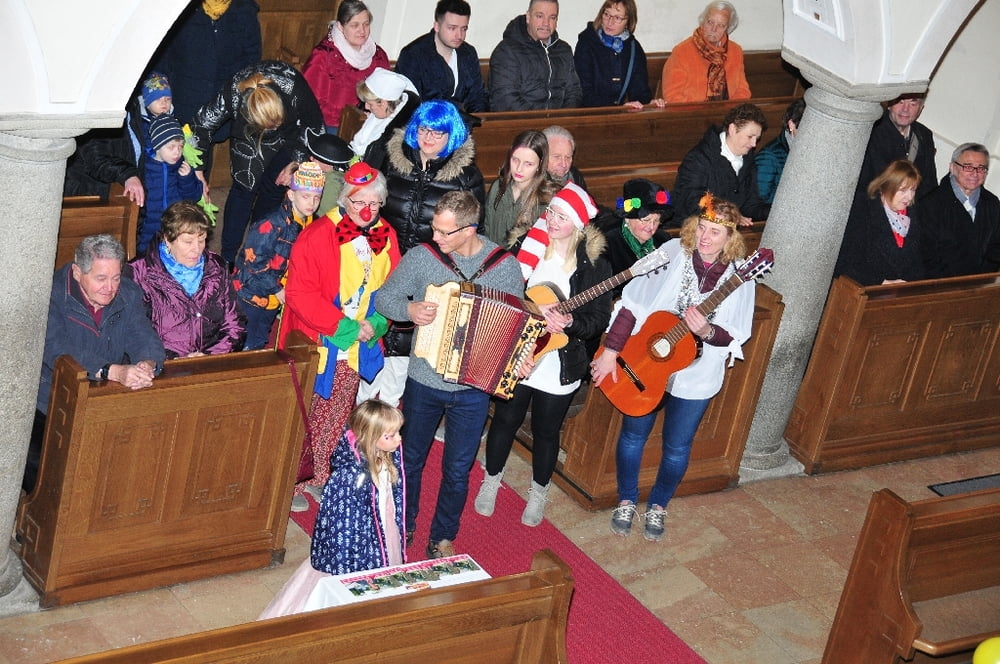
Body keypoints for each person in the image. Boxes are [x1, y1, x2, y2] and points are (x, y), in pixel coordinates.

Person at [590, 195, 754, 542]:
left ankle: (659, 505)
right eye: (702, 228)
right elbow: (632, 304)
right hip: (646, 362)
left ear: (730, 238)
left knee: (678, 446)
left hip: (697, 372)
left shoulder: (740, 277)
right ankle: (626, 499)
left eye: (715, 232)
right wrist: (610, 352)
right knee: (633, 435)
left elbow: (736, 333)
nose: (705, 237)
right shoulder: (672, 254)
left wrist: (706, 331)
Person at [374, 191, 524, 559]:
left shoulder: (504, 267)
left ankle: (442, 535)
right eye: (434, 228)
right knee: (410, 459)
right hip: (423, 380)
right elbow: (384, 298)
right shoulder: (422, 257)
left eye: (444, 232)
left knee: (458, 469)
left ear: (470, 229)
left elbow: (516, 327)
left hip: (474, 388)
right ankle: (403, 522)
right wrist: (409, 309)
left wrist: (520, 357)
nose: (435, 237)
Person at [477, 183, 611, 526]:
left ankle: (538, 492)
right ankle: (491, 480)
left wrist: (570, 322)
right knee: (505, 420)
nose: (551, 220)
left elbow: (597, 320)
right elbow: (502, 294)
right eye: (551, 212)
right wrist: (531, 316)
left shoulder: (595, 266)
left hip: (561, 361)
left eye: (561, 216)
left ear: (577, 224)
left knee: (546, 431)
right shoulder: (527, 247)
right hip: (520, 351)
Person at [279, 161, 401, 511]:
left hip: (357, 345)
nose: (366, 210)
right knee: (305, 412)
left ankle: (318, 474)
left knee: (336, 412)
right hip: (320, 340)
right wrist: (347, 328)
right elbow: (300, 294)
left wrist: (377, 323)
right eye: (359, 201)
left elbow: (394, 288)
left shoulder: (387, 235)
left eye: (374, 203)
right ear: (344, 199)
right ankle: (289, 480)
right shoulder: (318, 235)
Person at [25, 234, 166, 493]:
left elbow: (143, 335)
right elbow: (57, 349)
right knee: (51, 482)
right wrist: (112, 370)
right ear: (77, 272)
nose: (110, 288)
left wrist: (147, 363)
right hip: (51, 402)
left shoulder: (128, 293)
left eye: (116, 278)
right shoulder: (50, 294)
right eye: (101, 278)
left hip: (105, 398)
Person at [189, 60, 324, 265]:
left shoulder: (294, 87)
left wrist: (296, 162)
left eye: (276, 121)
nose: (273, 127)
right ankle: (227, 257)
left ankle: (256, 250)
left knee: (274, 188)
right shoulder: (233, 92)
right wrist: (198, 171)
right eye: (270, 125)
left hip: (287, 137)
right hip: (248, 135)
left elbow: (315, 125)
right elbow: (200, 125)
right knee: (244, 189)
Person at [130, 201, 244, 358]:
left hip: (212, 360)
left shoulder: (216, 267)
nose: (196, 249)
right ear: (167, 239)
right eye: (188, 242)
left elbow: (234, 323)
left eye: (201, 240)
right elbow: (134, 334)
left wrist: (209, 356)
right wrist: (177, 360)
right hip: (162, 364)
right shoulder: (138, 273)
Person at [149, 0, 262, 157]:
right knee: (177, 161)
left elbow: (251, 59)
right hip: (183, 100)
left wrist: (235, 95)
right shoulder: (179, 7)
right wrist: (159, 95)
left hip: (221, 104)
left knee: (201, 161)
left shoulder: (243, 9)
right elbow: (162, 57)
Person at [232, 161, 325, 350]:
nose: (312, 203)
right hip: (251, 293)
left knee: (262, 335)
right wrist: (277, 289)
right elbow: (254, 262)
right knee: (245, 340)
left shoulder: (308, 222)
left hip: (275, 296)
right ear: (291, 195)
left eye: (316, 198)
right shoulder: (272, 224)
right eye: (306, 196)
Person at [311, 399, 406, 574]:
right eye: (391, 436)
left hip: (384, 523)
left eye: (398, 432)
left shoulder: (387, 456)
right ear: (371, 436)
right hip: (361, 535)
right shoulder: (351, 476)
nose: (399, 439)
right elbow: (343, 523)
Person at [382, 99, 486, 253]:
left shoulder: (467, 177)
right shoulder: (392, 164)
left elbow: (475, 230)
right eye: (423, 129)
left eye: (437, 132)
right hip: (391, 253)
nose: (428, 137)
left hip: (438, 259)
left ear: (451, 134)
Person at [63, 71, 175, 203]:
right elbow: (94, 157)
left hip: (133, 195)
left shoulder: (139, 113)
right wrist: (128, 175)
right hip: (91, 196)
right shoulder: (103, 111)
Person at [673, 102, 770, 224]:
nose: (754, 144)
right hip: (694, 227)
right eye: (750, 137)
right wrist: (730, 216)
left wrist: (776, 211)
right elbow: (692, 202)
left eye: (757, 138)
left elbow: (751, 205)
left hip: (727, 228)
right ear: (732, 129)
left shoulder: (748, 161)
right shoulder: (698, 158)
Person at [302, 0, 390, 134]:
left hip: (371, 122)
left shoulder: (378, 56)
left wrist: (374, 115)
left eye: (366, 24)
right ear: (340, 27)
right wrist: (353, 119)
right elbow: (311, 102)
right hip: (331, 125)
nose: (362, 30)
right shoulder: (323, 56)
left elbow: (387, 95)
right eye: (355, 25)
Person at [834, 159, 925, 286]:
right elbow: (846, 262)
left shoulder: (912, 217)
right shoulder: (863, 212)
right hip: (866, 289)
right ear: (887, 187)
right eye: (903, 190)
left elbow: (917, 265)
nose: (909, 197)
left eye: (913, 190)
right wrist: (881, 282)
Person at [394, 0, 489, 114]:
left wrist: (478, 121)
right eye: (452, 28)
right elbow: (409, 105)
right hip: (425, 123)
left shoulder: (468, 53)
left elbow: (477, 97)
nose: (459, 35)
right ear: (437, 26)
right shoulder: (413, 55)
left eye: (463, 29)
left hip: (464, 122)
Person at [922, 143, 1000, 278]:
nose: (975, 173)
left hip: (982, 283)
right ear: (952, 167)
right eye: (968, 167)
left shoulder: (992, 203)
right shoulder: (930, 204)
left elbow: (996, 247)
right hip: (941, 284)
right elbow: (926, 255)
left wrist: (981, 279)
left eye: (981, 168)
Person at [489, 0, 582, 111]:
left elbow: (574, 93)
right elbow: (505, 100)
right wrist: (542, 119)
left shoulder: (564, 50)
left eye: (552, 17)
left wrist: (563, 117)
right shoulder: (507, 51)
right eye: (540, 16)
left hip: (560, 120)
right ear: (528, 17)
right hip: (522, 120)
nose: (546, 23)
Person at [574, 0, 662, 109]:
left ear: (628, 21)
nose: (610, 22)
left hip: (619, 114)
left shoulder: (634, 48)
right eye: (607, 14)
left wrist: (650, 103)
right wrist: (618, 107)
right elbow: (583, 93)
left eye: (617, 18)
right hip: (590, 114)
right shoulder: (586, 42)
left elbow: (640, 92)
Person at [138, 114, 204, 254]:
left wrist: (187, 179)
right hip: (149, 227)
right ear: (157, 146)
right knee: (146, 256)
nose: (177, 152)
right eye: (171, 147)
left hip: (176, 226)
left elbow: (194, 197)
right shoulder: (145, 168)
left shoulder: (182, 167)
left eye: (180, 147)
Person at [661, 1, 750, 103]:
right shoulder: (682, 51)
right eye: (710, 22)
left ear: (728, 28)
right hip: (692, 112)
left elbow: (742, 91)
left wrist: (730, 110)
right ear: (703, 21)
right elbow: (672, 95)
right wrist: (702, 111)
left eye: (721, 25)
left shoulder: (735, 51)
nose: (714, 29)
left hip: (729, 112)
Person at [595, 178, 672, 291]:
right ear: (627, 218)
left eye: (656, 221)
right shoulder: (607, 245)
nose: (651, 226)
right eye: (646, 220)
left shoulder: (664, 240)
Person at [483, 129, 556, 247]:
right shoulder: (498, 187)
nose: (519, 169)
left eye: (528, 164)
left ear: (540, 165)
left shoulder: (546, 198)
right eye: (515, 160)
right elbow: (487, 229)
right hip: (495, 256)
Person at [858, 94, 937, 200]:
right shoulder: (872, 130)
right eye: (900, 102)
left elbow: (930, 186)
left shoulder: (924, 135)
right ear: (889, 104)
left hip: (910, 205)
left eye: (913, 104)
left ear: (920, 108)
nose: (905, 109)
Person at [349, 67, 421, 172]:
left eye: (370, 104)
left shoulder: (400, 135)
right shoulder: (382, 114)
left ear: (383, 103)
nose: (366, 107)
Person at [755, 98, 806, 204]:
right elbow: (760, 200)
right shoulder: (769, 156)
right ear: (792, 125)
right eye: (807, 130)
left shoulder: (804, 149)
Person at [303, 129, 357, 218]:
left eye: (315, 158)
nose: (311, 158)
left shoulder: (331, 184)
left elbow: (324, 215)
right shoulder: (339, 174)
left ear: (327, 163)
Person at [543, 125, 588, 190]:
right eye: (557, 157)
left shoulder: (575, 176)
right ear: (543, 155)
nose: (564, 164)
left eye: (568, 157)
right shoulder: (531, 181)